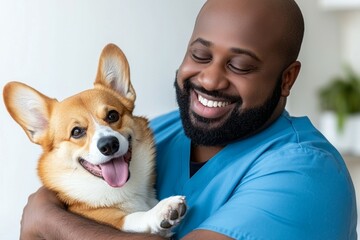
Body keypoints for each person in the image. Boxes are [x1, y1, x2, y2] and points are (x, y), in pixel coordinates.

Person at [20, 0, 357, 239]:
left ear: (287, 79)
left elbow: (44, 215)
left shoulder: (306, 173)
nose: (210, 80)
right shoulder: (157, 131)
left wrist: (47, 220)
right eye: (200, 55)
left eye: (240, 65)